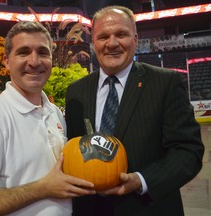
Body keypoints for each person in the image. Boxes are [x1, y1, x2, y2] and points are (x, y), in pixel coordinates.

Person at [65, 5, 204, 216]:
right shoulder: (76, 91)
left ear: (135, 39)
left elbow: (188, 152)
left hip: (146, 208)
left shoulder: (165, 83)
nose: (112, 43)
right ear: (94, 43)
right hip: (91, 210)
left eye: (121, 34)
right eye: (103, 37)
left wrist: (141, 180)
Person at [0, 21, 95, 216]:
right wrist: (42, 188)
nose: (35, 61)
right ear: (6, 61)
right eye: (23, 52)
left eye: (43, 52)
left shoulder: (53, 111)